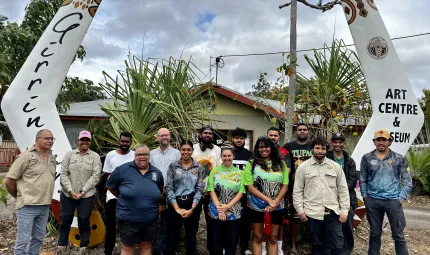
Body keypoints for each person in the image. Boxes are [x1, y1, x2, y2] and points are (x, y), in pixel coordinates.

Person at [293, 136, 350, 255]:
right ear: (312, 149)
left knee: (337, 247)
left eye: (323, 148)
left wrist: (344, 210)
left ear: (326, 150)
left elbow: (343, 190)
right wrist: (300, 210)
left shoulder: (335, 167)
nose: (320, 151)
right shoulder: (303, 167)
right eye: (317, 148)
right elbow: (297, 191)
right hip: (312, 213)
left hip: (333, 212)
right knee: (317, 246)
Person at [4, 129, 57, 255]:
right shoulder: (26, 156)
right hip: (27, 206)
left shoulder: (51, 157)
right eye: (47, 138)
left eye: (52, 139)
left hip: (44, 206)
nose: (50, 141)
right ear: (37, 139)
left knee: (38, 238)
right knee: (23, 241)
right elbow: (9, 181)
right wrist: (19, 196)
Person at [360, 130, 412, 255]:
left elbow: (407, 181)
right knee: (374, 234)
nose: (381, 142)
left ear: (389, 142)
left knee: (398, 235)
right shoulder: (367, 158)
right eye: (378, 140)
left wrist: (400, 199)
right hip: (373, 201)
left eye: (384, 140)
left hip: (393, 201)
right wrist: (366, 197)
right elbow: (363, 179)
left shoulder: (399, 158)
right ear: (374, 142)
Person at [106, 144, 164, 255]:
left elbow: (160, 192)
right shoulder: (123, 170)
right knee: (128, 248)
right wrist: (123, 196)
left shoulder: (156, 173)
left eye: (145, 154)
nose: (142, 157)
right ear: (134, 156)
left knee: (146, 246)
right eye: (139, 154)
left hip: (149, 221)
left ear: (149, 156)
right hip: (128, 220)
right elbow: (110, 185)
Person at [242, 136, 289, 255]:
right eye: (260, 147)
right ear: (257, 149)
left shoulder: (281, 164)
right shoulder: (251, 164)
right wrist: (269, 200)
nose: (264, 149)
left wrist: (275, 202)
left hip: (277, 207)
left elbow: (285, 186)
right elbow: (250, 186)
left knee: (273, 237)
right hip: (256, 206)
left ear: (271, 148)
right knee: (258, 237)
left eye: (266, 146)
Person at [57, 130, 102, 253]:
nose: (84, 142)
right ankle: (61, 246)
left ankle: (84, 247)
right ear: (78, 141)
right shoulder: (69, 155)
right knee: (65, 219)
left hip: (86, 195)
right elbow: (63, 173)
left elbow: (95, 176)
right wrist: (71, 191)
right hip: (68, 194)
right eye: (82, 140)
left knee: (83, 219)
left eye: (87, 140)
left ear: (90, 142)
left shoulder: (95, 156)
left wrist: (82, 192)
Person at [164, 140, 206, 255]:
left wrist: (192, 209)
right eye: (183, 149)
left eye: (188, 150)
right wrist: (177, 208)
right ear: (180, 150)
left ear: (192, 151)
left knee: (191, 236)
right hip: (175, 204)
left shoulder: (199, 167)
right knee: (172, 236)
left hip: (193, 203)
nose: (186, 152)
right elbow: (169, 188)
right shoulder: (173, 166)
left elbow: (199, 189)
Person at [206, 143, 246, 255]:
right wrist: (220, 209)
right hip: (215, 212)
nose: (227, 158)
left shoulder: (240, 173)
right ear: (221, 157)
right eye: (224, 156)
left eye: (229, 156)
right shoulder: (214, 172)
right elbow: (211, 190)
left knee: (231, 243)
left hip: (234, 212)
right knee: (215, 243)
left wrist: (227, 207)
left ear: (233, 156)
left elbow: (241, 192)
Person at [282, 123, 313, 255]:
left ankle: (313, 244)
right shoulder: (288, 146)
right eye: (299, 130)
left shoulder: (313, 146)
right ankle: (293, 245)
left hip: (312, 187)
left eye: (304, 130)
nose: (302, 132)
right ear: (296, 131)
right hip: (293, 187)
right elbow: (282, 164)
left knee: (313, 216)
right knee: (294, 218)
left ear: (308, 131)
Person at [103, 131, 135, 255]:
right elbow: (108, 176)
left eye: (127, 142)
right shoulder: (111, 155)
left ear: (131, 142)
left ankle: (126, 251)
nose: (125, 144)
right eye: (123, 141)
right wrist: (114, 191)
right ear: (119, 141)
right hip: (112, 196)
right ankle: (108, 251)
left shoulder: (134, 155)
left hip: (130, 198)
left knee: (128, 226)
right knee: (110, 226)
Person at [150, 128, 180, 255]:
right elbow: (149, 171)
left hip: (170, 193)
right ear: (157, 137)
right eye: (162, 135)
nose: (164, 137)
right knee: (151, 223)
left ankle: (163, 251)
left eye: (166, 135)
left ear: (170, 136)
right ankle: (150, 249)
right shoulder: (151, 153)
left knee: (166, 224)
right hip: (153, 192)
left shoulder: (177, 153)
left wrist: (167, 187)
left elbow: (178, 172)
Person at [327, 133, 358, 255]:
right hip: (328, 196)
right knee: (329, 225)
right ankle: (330, 250)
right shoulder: (327, 157)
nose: (338, 144)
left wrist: (341, 191)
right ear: (332, 143)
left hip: (347, 198)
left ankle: (346, 250)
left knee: (347, 225)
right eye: (335, 142)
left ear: (343, 143)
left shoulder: (349, 160)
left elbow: (352, 179)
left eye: (340, 142)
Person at [266, 127, 289, 255]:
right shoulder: (260, 151)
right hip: (262, 194)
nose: (273, 137)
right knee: (261, 222)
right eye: (271, 135)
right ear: (267, 135)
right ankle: (263, 248)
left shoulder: (284, 152)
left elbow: (288, 170)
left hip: (280, 193)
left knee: (277, 223)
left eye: (275, 135)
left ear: (278, 137)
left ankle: (278, 248)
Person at [231, 127, 253, 255]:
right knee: (231, 221)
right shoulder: (228, 153)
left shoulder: (249, 155)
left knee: (245, 222)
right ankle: (230, 246)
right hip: (230, 193)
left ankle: (244, 246)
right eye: (237, 138)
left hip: (245, 194)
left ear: (244, 140)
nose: (239, 140)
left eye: (241, 138)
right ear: (233, 139)